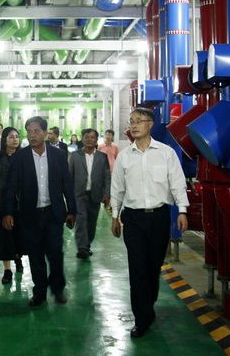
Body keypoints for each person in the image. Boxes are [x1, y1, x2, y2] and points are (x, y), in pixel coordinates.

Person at [110, 108, 189, 338]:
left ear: (150, 124)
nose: (134, 125)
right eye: (131, 121)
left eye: (139, 121)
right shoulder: (125, 156)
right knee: (137, 269)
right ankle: (141, 318)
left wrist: (182, 211)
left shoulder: (166, 153)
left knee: (153, 268)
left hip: (159, 217)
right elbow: (117, 188)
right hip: (133, 219)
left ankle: (148, 305)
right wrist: (115, 216)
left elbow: (177, 183)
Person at [3, 116, 76, 307]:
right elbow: (11, 187)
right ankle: (40, 292)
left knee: (55, 254)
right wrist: (8, 212)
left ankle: (58, 289)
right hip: (30, 215)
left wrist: (72, 210)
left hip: (53, 213)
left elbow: (67, 184)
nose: (32, 135)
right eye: (29, 131)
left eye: (36, 131)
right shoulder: (20, 158)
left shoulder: (58, 155)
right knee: (35, 256)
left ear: (45, 133)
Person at [68, 128, 110, 259]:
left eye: (92, 137)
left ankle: (87, 244)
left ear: (96, 140)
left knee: (91, 222)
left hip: (95, 194)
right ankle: (82, 248)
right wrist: (69, 196)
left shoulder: (102, 157)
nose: (89, 139)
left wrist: (106, 193)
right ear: (82, 139)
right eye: (87, 137)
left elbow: (107, 177)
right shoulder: (75, 156)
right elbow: (69, 176)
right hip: (79, 194)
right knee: (81, 220)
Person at [0, 127, 24, 284]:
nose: (15, 139)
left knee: (18, 234)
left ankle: (18, 257)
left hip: (21, 203)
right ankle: (7, 270)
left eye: (17, 136)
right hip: (2, 203)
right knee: (4, 236)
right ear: (5, 139)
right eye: (11, 137)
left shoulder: (24, 157)